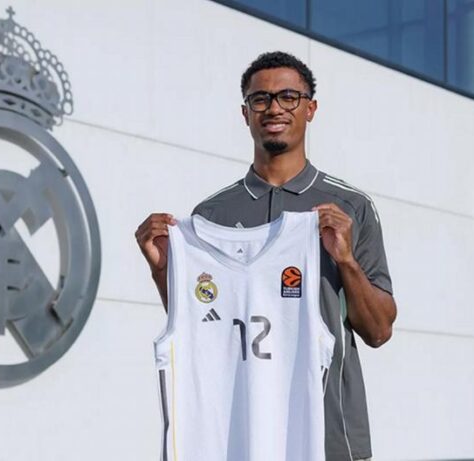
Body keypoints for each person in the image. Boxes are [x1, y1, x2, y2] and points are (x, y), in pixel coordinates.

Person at [135, 51, 397, 461]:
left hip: (330, 437)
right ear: (245, 113)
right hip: (236, 436)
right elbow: (203, 324)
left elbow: (379, 331)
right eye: (261, 99)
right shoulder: (211, 215)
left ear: (310, 108)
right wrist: (163, 271)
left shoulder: (350, 208)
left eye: (289, 97)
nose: (274, 108)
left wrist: (346, 261)